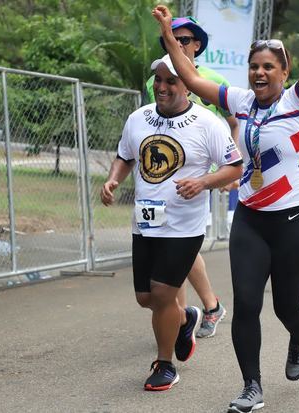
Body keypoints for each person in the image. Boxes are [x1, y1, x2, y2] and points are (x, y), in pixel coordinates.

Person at [153, 1, 299, 411]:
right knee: (247, 304)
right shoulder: (240, 102)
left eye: (269, 67)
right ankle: (252, 387)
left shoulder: (298, 101)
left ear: (284, 73)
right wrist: (168, 32)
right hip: (250, 220)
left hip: (295, 221)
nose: (260, 73)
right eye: (254, 66)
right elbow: (191, 77)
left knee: (288, 307)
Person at [100, 54, 243, 392]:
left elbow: (234, 167)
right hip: (144, 223)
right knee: (146, 298)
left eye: (170, 81)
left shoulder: (207, 123)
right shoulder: (139, 118)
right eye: (158, 81)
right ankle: (186, 317)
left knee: (164, 294)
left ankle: (165, 365)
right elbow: (125, 155)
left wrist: (203, 182)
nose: (161, 87)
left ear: (187, 86)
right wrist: (113, 180)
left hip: (184, 226)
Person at [145, 15, 239, 338]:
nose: (178, 45)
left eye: (184, 40)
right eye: (172, 40)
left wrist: (230, 172)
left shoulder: (212, 79)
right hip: (165, 176)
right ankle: (189, 315)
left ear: (197, 44)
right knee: (171, 246)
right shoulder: (155, 80)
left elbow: (233, 124)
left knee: (179, 246)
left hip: (201, 177)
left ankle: (194, 314)